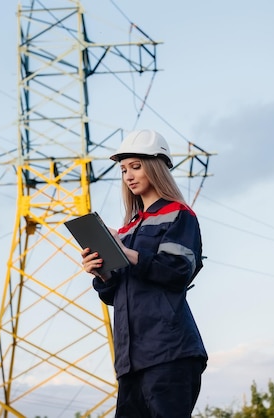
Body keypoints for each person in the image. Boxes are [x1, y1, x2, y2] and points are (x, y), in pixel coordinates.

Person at [81, 129, 208, 418]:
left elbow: (178, 271)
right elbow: (116, 295)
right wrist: (101, 273)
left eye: (136, 166)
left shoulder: (180, 214)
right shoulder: (125, 230)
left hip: (170, 353)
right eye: (124, 169)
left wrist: (129, 255)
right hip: (130, 361)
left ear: (156, 167)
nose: (128, 175)